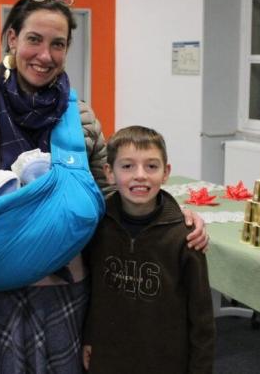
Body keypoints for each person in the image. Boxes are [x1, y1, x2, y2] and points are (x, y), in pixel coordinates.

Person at [0, 0, 210, 373]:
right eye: (34, 39)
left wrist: (171, 215)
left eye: (58, 44)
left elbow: (109, 194)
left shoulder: (80, 117)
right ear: (12, 38)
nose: (45, 55)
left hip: (62, 285)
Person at [82, 126, 215, 374]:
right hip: (109, 356)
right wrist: (89, 336)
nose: (140, 175)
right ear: (109, 173)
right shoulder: (98, 227)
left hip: (165, 359)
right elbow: (93, 293)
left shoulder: (185, 237)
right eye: (127, 166)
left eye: (151, 166)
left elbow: (202, 318)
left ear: (166, 173)